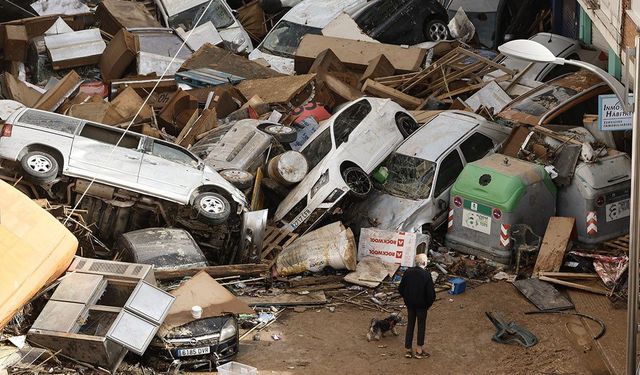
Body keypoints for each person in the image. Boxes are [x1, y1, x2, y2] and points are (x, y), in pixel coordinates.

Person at [398, 253, 436, 359]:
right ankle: (419, 351)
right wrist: (427, 304)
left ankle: (408, 350)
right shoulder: (426, 275)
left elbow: (401, 288)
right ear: (424, 263)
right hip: (422, 306)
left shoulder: (408, 272)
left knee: (410, 325)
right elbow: (431, 294)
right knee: (421, 326)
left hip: (410, 304)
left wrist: (407, 298)